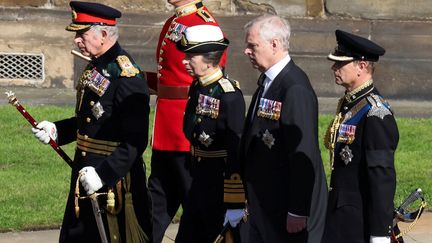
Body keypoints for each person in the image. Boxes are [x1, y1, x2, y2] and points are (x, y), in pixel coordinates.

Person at [31, 1, 152, 242]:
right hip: (84, 173)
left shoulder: (126, 75)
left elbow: (136, 141)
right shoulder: (97, 65)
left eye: (82, 33)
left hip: (112, 182)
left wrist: (103, 174)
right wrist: (57, 130)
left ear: (104, 34)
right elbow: (89, 119)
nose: (77, 40)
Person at [239, 14, 328, 243]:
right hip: (263, 202)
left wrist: (298, 210)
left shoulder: (294, 87)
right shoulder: (268, 82)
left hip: (283, 207)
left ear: (274, 45)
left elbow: (303, 151)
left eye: (252, 45)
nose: (246, 51)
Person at [146, 1, 227, 242]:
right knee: (156, 202)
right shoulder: (177, 19)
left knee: (194, 205)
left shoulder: (204, 23)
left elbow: (211, 80)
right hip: (167, 126)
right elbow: (169, 76)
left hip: (185, 128)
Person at [322, 30, 399, 243]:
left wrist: (380, 233)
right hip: (341, 217)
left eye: (340, 64)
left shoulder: (376, 114)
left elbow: (382, 178)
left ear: (361, 66)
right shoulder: (350, 103)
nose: (334, 68)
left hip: (360, 222)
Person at [173, 24, 246, 243]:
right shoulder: (198, 87)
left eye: (190, 57)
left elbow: (235, 152)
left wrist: (234, 203)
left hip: (219, 188)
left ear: (208, 58)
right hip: (197, 181)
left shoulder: (229, 96)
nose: (184, 62)